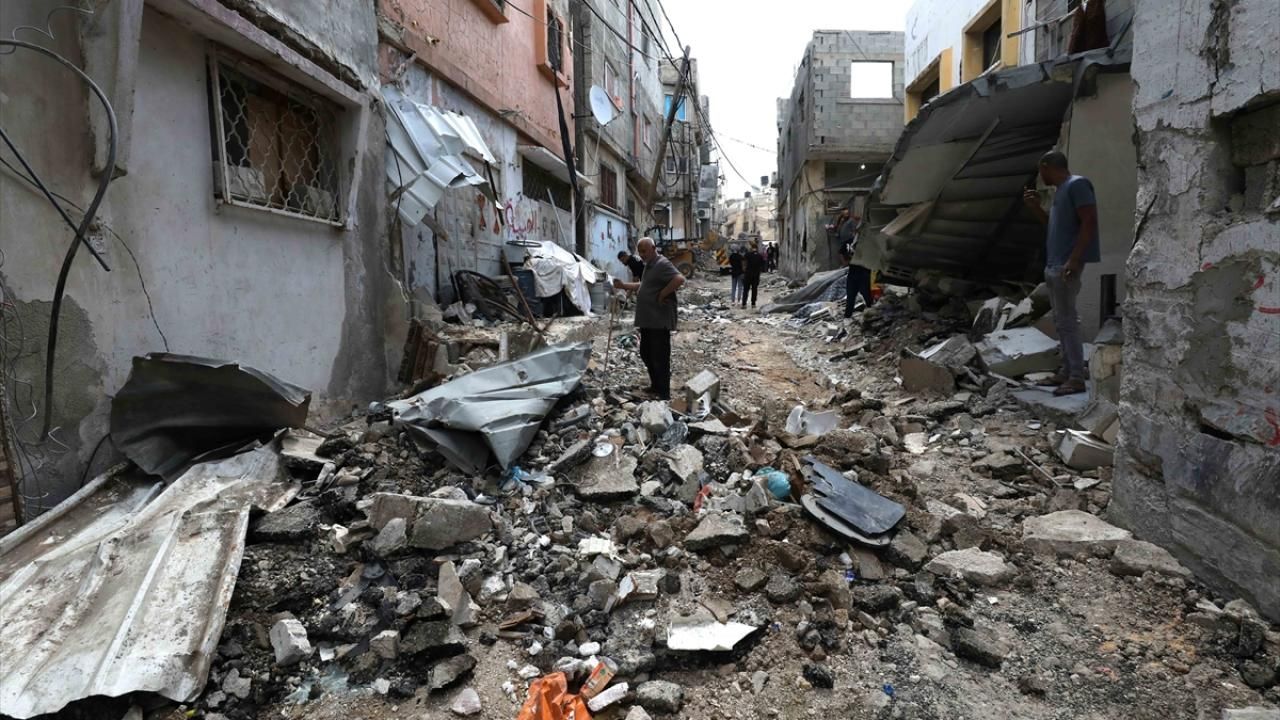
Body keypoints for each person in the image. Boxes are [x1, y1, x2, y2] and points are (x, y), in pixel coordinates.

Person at [1022, 150, 1100, 397]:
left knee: (1068, 321)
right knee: (1062, 322)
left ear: (1046, 167)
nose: (1040, 177)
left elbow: (1089, 221)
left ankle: (1076, 376)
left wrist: (1074, 259)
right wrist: (1035, 208)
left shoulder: (1077, 184)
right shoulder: (1061, 192)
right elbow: (1053, 227)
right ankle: (1067, 371)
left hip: (1065, 264)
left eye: (1040, 171)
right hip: (1055, 263)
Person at [613, 237, 685, 400]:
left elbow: (679, 279)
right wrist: (623, 285)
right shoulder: (649, 266)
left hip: (658, 321)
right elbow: (643, 286)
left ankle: (664, 393)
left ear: (653, 248)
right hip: (648, 320)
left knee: (660, 356)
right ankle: (655, 386)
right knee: (646, 353)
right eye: (640, 252)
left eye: (644, 251)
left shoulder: (662, 263)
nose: (642, 254)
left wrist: (663, 294)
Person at [837, 209, 874, 318]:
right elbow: (840, 252)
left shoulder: (866, 243)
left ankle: (872, 313)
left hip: (864, 273)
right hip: (853, 273)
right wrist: (845, 262)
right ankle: (847, 317)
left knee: (867, 295)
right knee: (850, 296)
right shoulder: (849, 242)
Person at [742, 242, 764, 309]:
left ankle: (744, 304)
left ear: (751, 248)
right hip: (756, 275)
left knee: (746, 290)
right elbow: (762, 265)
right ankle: (753, 304)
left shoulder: (748, 254)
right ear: (756, 248)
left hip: (748, 275)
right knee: (754, 290)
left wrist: (744, 270)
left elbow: (743, 262)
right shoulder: (760, 256)